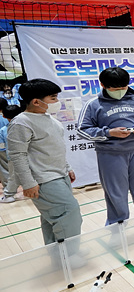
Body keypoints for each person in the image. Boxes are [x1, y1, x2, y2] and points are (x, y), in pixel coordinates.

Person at [7, 80, 84, 262]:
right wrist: (28, 183)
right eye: (53, 98)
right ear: (36, 101)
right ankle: (68, 256)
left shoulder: (51, 120)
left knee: (53, 218)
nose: (57, 101)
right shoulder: (21, 123)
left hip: (60, 175)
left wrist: (67, 168)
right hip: (43, 179)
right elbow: (17, 155)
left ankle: (59, 256)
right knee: (69, 213)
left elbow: (56, 147)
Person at [77, 67, 134, 229]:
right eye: (115, 89)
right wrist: (109, 133)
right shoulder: (93, 104)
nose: (120, 92)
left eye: (123, 87)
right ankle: (117, 228)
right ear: (103, 85)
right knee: (116, 193)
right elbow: (82, 130)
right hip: (111, 154)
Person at [0, 104, 23, 203]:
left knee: (12, 176)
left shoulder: (3, 130)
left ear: (4, 116)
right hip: (30, 155)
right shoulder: (27, 126)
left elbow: (1, 146)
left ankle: (9, 194)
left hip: (13, 156)